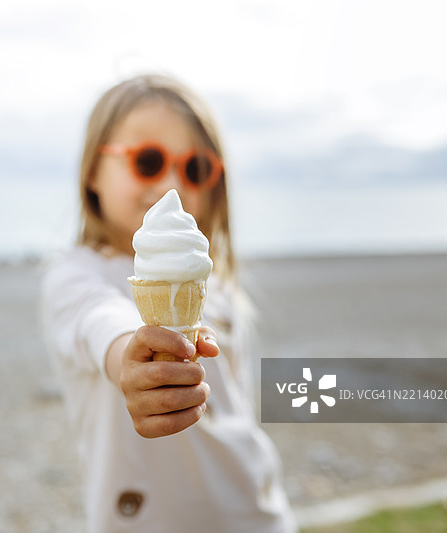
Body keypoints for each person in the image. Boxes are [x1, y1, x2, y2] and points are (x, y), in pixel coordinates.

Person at [40, 74, 296, 532]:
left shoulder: (214, 283)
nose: (173, 184)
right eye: (149, 160)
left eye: (196, 168)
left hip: (257, 515)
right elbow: (100, 321)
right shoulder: (75, 276)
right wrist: (132, 364)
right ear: (92, 173)